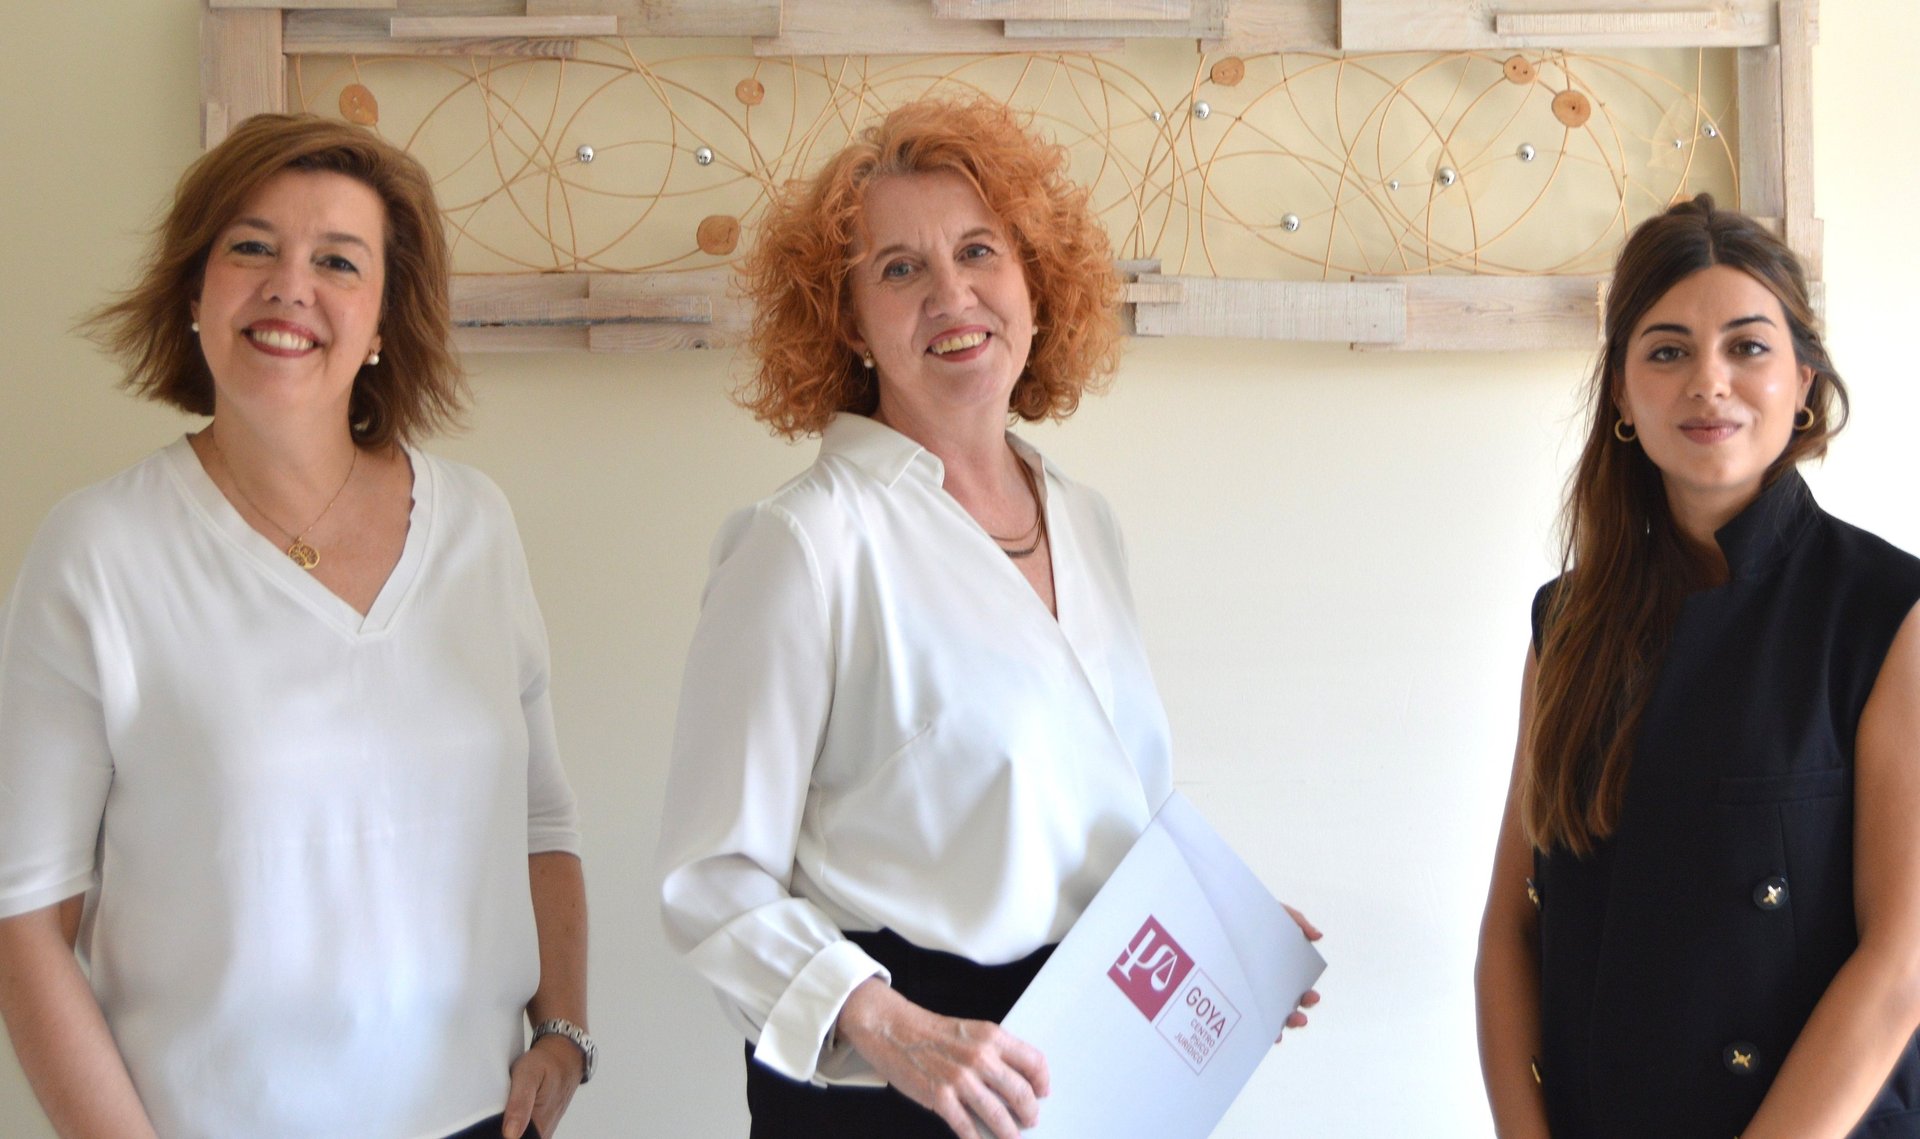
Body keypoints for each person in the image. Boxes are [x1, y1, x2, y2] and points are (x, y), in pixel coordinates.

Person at [657, 97, 1319, 1139]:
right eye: (899, 268)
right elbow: (711, 880)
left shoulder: (1084, 521)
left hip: (1086, 1054)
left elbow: (1102, 807)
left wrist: (1221, 939)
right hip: (900, 1082)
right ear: (847, 319)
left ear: (1035, 280)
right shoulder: (804, 544)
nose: (951, 293)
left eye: (978, 250)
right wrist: (883, 1020)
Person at [0, 114, 591, 1139]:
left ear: (380, 322)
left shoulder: (476, 524)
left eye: (337, 261)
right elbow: (24, 918)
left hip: (480, 1120)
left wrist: (566, 1032)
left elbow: (542, 823)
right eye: (252, 247)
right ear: (195, 291)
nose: (290, 287)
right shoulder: (97, 549)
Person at [1475, 194, 1920, 1137]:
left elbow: (1901, 968)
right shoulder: (1566, 621)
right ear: (1623, 395)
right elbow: (1513, 932)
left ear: (1803, 380)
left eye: (1748, 347)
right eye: (1667, 350)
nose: (1707, 382)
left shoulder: (1886, 613)